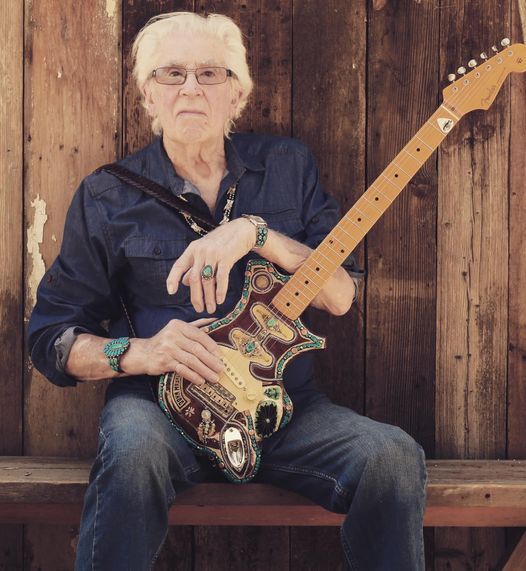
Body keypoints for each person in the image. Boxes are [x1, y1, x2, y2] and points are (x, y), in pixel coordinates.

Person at [28, 11, 427, 571]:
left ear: (236, 93)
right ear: (148, 94)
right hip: (163, 406)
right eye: (171, 74)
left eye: (210, 73)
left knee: (393, 456)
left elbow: (338, 294)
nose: (190, 87)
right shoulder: (107, 196)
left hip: (285, 409)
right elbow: (50, 338)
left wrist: (257, 235)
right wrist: (140, 352)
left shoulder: (289, 166)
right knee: (132, 453)